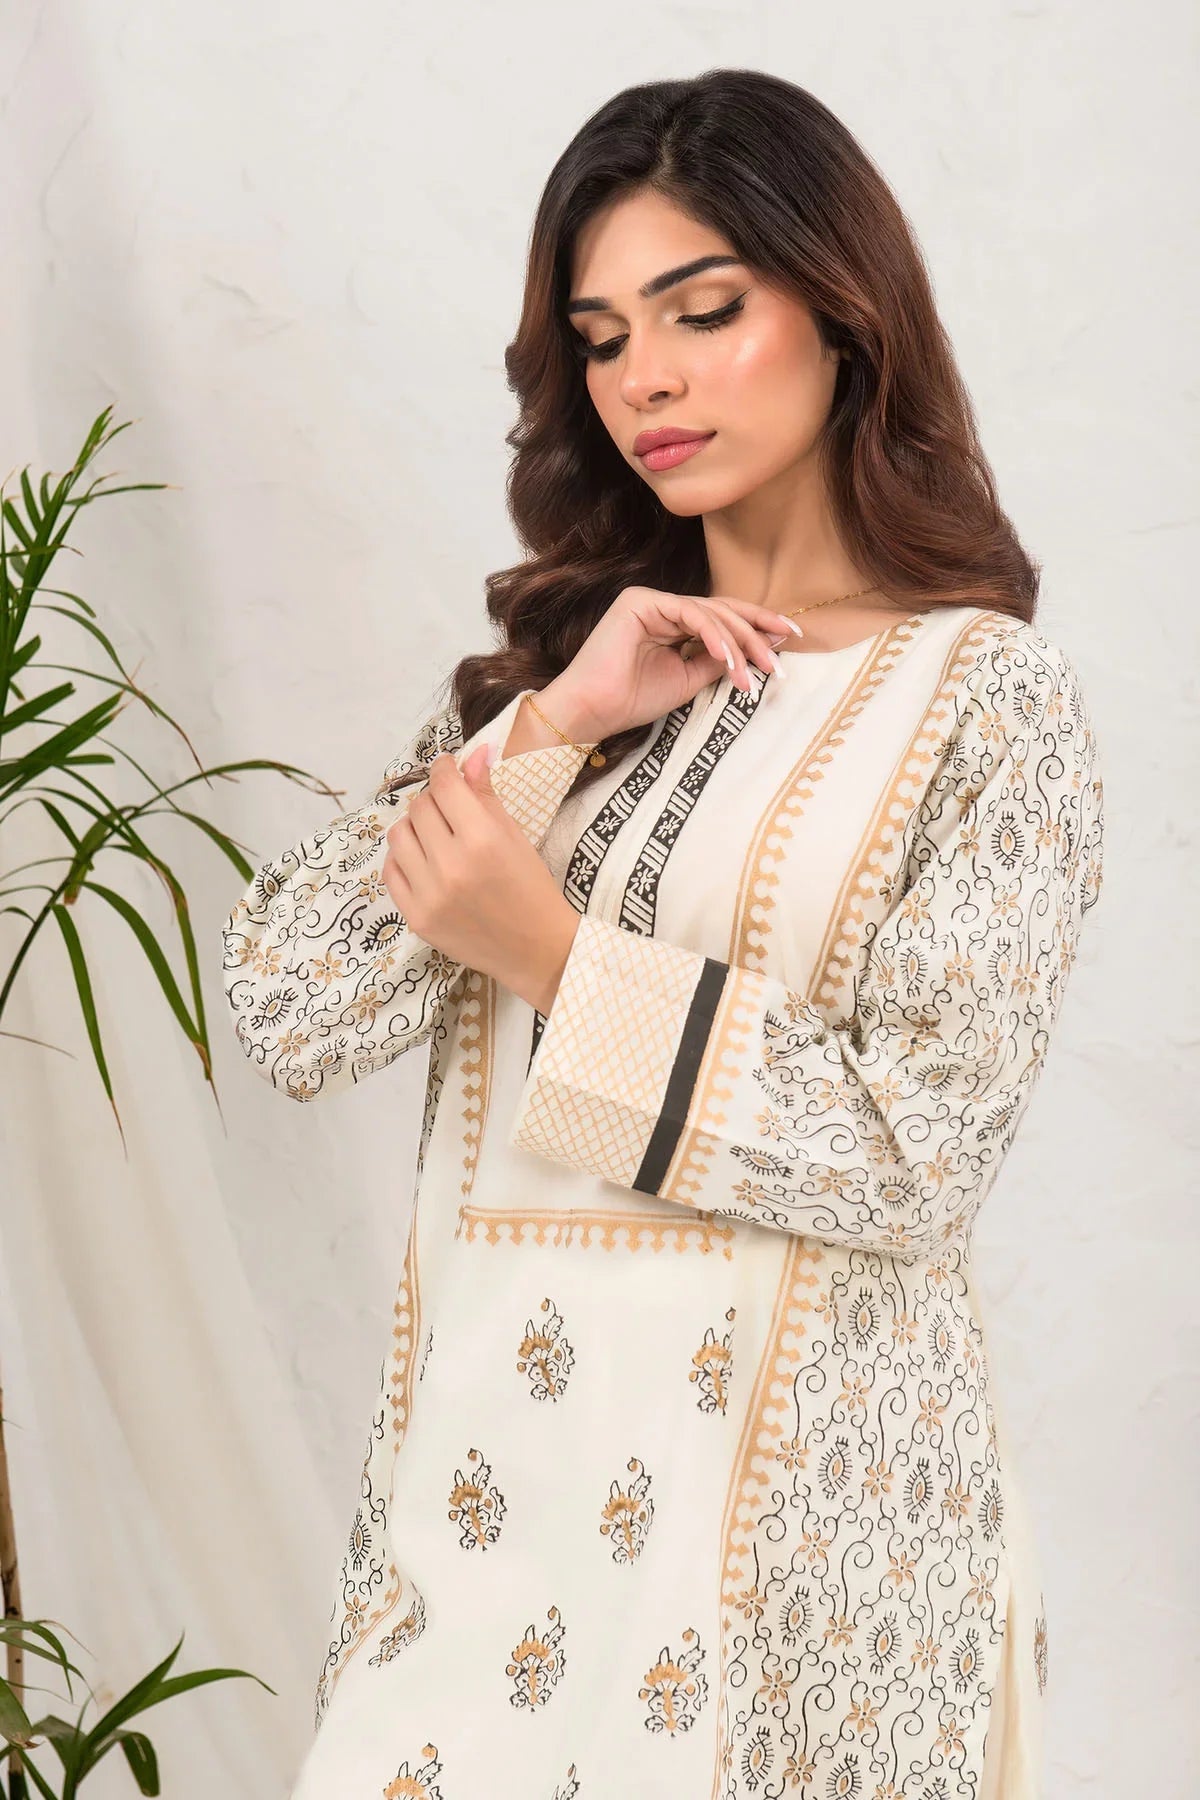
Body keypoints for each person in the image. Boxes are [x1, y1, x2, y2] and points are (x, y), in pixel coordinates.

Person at [221, 69, 1104, 1800]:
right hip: (488, 1511)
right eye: (604, 338)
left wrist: (558, 961)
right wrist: (551, 726)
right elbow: (286, 1008)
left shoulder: (988, 703)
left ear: (844, 314)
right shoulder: (558, 691)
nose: (647, 379)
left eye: (704, 312)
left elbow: (915, 1158)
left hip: (799, 1546)